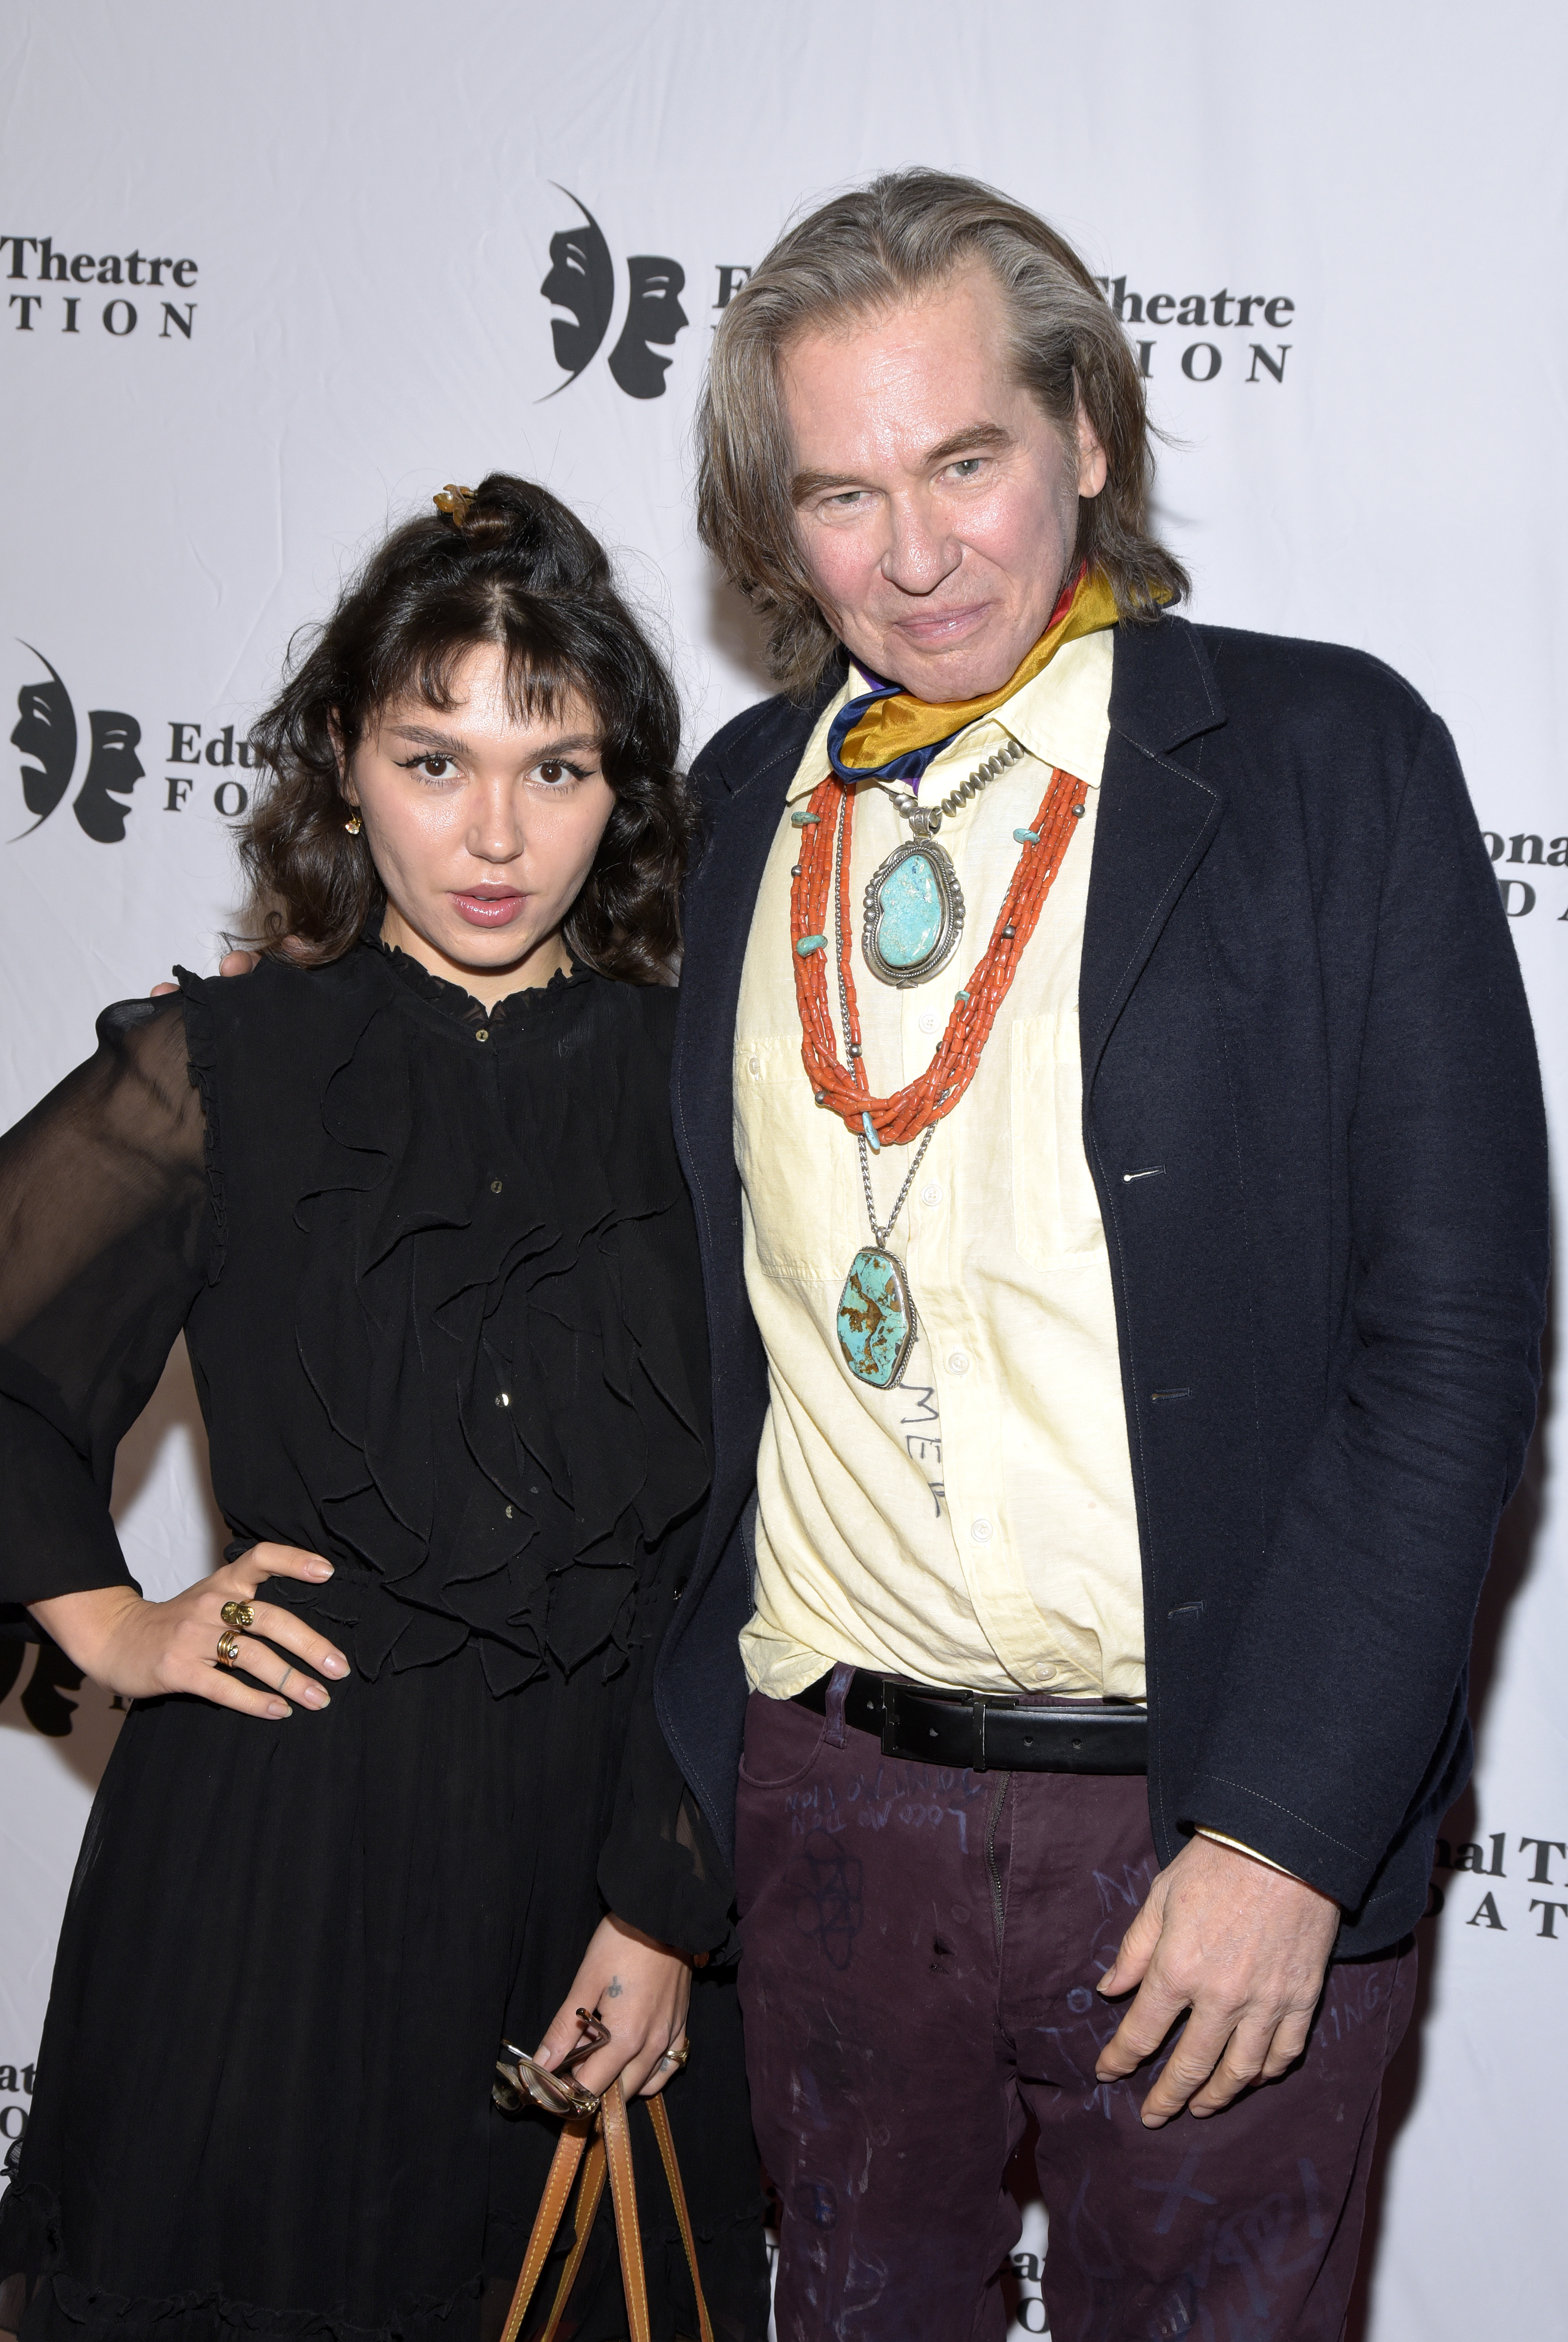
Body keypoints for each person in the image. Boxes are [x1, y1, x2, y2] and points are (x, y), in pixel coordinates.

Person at [650, 170, 1549, 2339]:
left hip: (1202, 1820)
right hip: (829, 1805)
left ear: (1082, 430)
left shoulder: (1326, 760)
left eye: (963, 460)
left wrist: (1283, 1834)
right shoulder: (741, 797)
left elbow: (1448, 1344)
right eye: (843, 494)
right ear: (779, 529)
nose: (916, 553)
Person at [0, 476, 769, 2342]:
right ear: (345, 764)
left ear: (623, 792)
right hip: (278, 1872)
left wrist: (666, 1904)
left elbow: (774, 1533)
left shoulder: (716, 1087)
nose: (494, 834)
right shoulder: (225, 1065)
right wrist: (116, 1624)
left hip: (605, 1872)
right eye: (436, 763)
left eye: (556, 768)